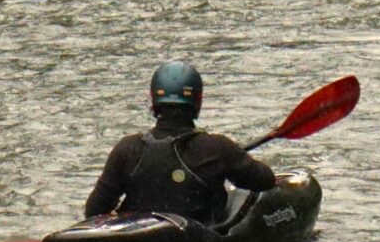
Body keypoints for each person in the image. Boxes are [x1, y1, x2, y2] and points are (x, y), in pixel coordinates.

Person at [83, 60, 275, 225]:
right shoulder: (217, 148)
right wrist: (234, 159)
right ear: (198, 101)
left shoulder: (127, 148)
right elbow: (265, 180)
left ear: (154, 101)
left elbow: (94, 211)